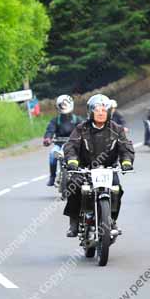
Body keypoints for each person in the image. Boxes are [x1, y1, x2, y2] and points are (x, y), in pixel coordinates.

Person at [63, 94, 134, 238]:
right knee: (74, 185)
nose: (101, 113)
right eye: (97, 110)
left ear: (108, 112)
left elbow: (125, 147)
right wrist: (72, 161)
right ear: (90, 112)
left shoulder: (117, 129)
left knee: (116, 190)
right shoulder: (81, 128)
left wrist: (126, 161)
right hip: (84, 169)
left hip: (108, 169)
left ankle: (112, 220)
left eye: (103, 110)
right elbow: (71, 146)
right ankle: (74, 221)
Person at [42, 95, 82, 186]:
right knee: (52, 155)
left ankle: (79, 175)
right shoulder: (56, 120)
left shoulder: (77, 120)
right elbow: (50, 130)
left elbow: (84, 130)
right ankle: (52, 176)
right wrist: (47, 138)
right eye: (62, 105)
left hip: (73, 146)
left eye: (65, 105)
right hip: (59, 145)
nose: (64, 107)